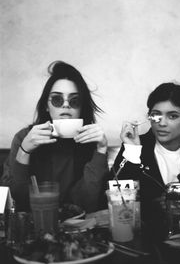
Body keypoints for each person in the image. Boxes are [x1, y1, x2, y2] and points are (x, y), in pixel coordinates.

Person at [112, 82, 180, 239]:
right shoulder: (135, 147)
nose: (162, 123)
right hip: (150, 237)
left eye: (172, 116)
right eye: (156, 115)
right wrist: (132, 151)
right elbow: (119, 200)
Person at [1, 61, 109, 213]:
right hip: (35, 226)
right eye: (57, 99)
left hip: (77, 228)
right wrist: (24, 151)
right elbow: (18, 200)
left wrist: (101, 149)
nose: (66, 106)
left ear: (82, 107)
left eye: (74, 100)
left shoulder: (90, 141)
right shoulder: (24, 137)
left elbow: (87, 202)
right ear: (46, 105)